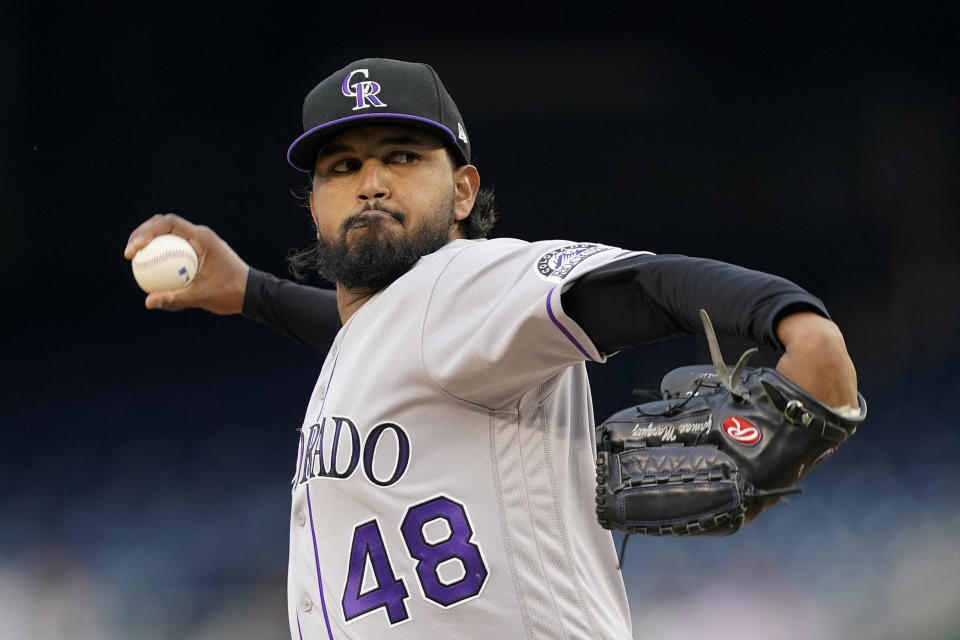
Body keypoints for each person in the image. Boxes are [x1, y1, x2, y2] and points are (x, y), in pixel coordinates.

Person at [124, 58, 860, 640]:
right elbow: (371, 339)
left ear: (465, 191)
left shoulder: (467, 279)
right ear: (315, 204)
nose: (370, 182)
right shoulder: (396, 331)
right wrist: (249, 290)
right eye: (341, 167)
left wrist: (800, 326)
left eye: (403, 156)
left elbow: (643, 285)